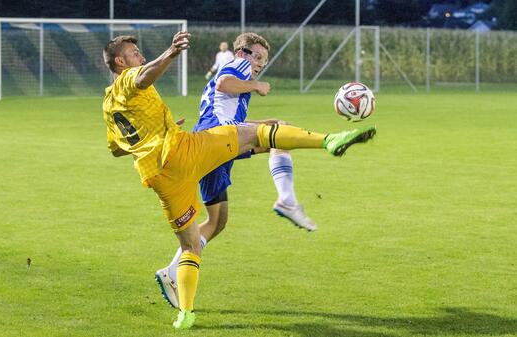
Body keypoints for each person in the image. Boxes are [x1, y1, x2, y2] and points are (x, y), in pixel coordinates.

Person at [102, 31, 375, 329]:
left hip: (160, 178)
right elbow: (146, 78)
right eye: (134, 53)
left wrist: (161, 129)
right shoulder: (132, 78)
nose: (140, 56)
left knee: (196, 241)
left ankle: (186, 313)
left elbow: (117, 148)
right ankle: (329, 141)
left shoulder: (108, 104)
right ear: (120, 61)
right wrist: (169, 54)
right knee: (265, 131)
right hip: (187, 151)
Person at [155, 32, 324, 311]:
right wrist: (255, 85)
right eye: (256, 57)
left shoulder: (238, 80)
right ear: (243, 52)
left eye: (263, 61)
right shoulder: (239, 64)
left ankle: (173, 270)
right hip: (214, 142)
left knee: (217, 221)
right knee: (279, 136)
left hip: (218, 141)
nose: (258, 64)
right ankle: (286, 198)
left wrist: (261, 121)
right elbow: (224, 84)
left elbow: (231, 116)